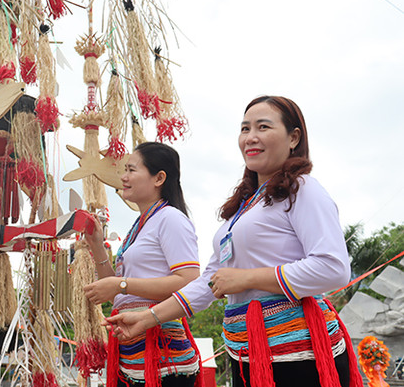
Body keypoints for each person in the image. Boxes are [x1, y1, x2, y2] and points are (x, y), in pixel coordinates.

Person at [105, 96, 363, 387]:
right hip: (246, 355)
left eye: (263, 127)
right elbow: (210, 282)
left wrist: (247, 278)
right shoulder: (244, 208)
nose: (251, 137)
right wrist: (149, 317)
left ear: (294, 138)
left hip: (299, 357)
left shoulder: (302, 189)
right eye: (244, 129)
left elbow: (333, 268)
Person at [83, 142, 202, 387]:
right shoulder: (139, 226)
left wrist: (122, 284)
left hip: (161, 356)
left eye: (131, 170)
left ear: (159, 178)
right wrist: (96, 244)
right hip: (132, 353)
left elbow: (189, 280)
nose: (123, 177)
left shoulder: (170, 219)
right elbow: (116, 293)